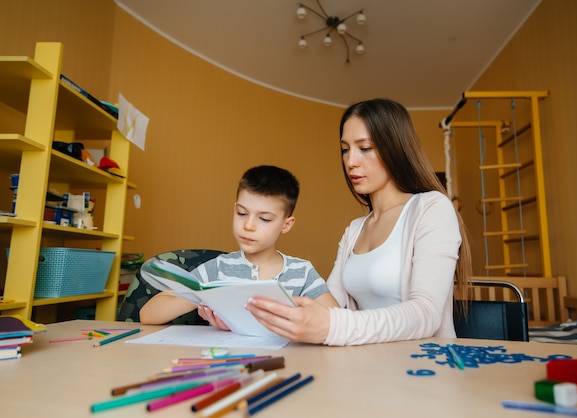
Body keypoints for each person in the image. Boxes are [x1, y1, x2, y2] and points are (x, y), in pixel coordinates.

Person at [245, 98, 472, 345]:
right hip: (365, 365)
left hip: (424, 368)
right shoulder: (355, 230)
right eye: (345, 149)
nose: (351, 161)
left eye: (365, 148)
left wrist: (332, 326)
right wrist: (253, 318)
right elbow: (329, 303)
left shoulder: (432, 208)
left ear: (395, 149)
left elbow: (426, 315)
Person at [139, 165, 338, 326]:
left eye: (265, 219)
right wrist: (201, 294)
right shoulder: (217, 269)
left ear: (286, 225)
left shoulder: (302, 272)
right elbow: (147, 315)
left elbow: (338, 321)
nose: (248, 225)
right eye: (242, 213)